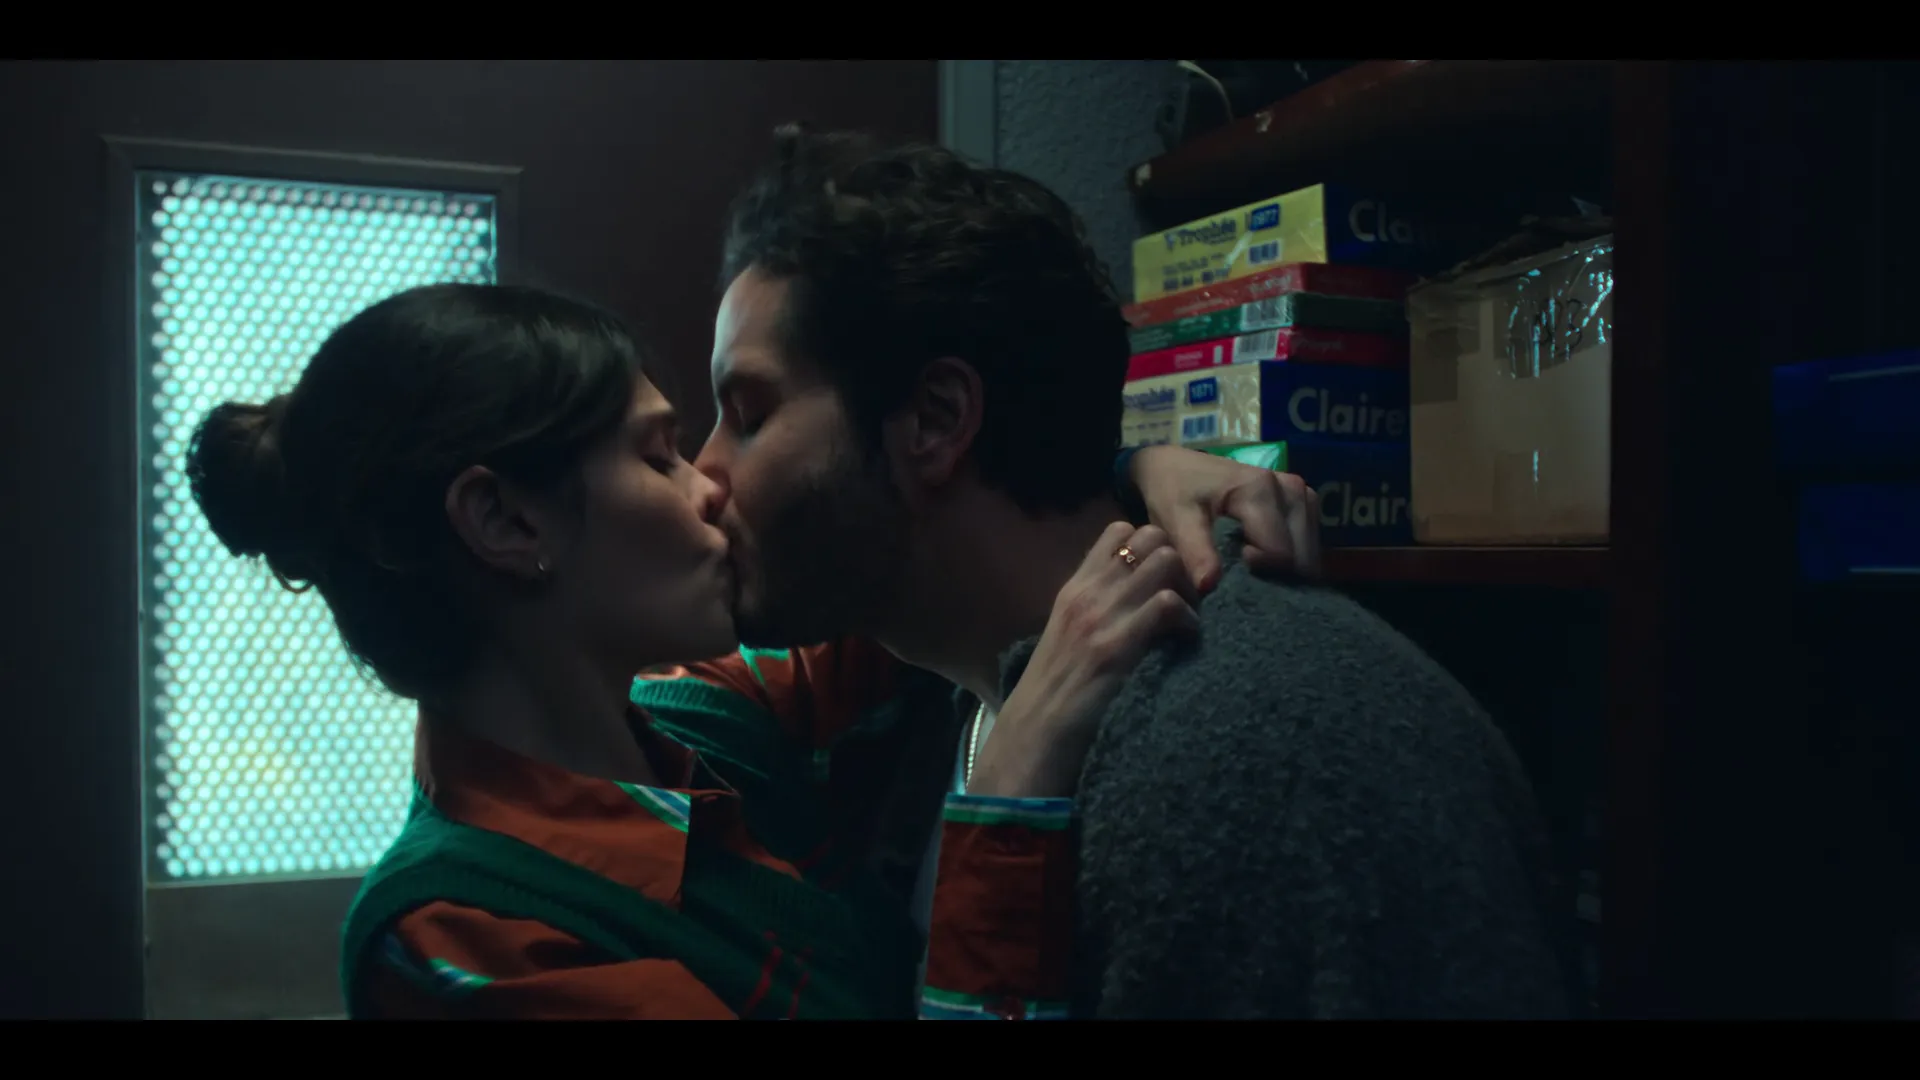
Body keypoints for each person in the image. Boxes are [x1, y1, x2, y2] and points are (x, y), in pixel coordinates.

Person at [186, 282, 1319, 1019]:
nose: (711, 486)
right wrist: (1011, 791)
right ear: (507, 521)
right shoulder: (468, 937)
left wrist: (1130, 475)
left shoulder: (706, 720)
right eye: (659, 457)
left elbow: (943, 573)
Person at [641, 127, 1570, 1019]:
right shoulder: (935, 690)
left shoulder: (1261, 760)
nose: (705, 475)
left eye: (749, 414)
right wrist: (1135, 467)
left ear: (935, 419)